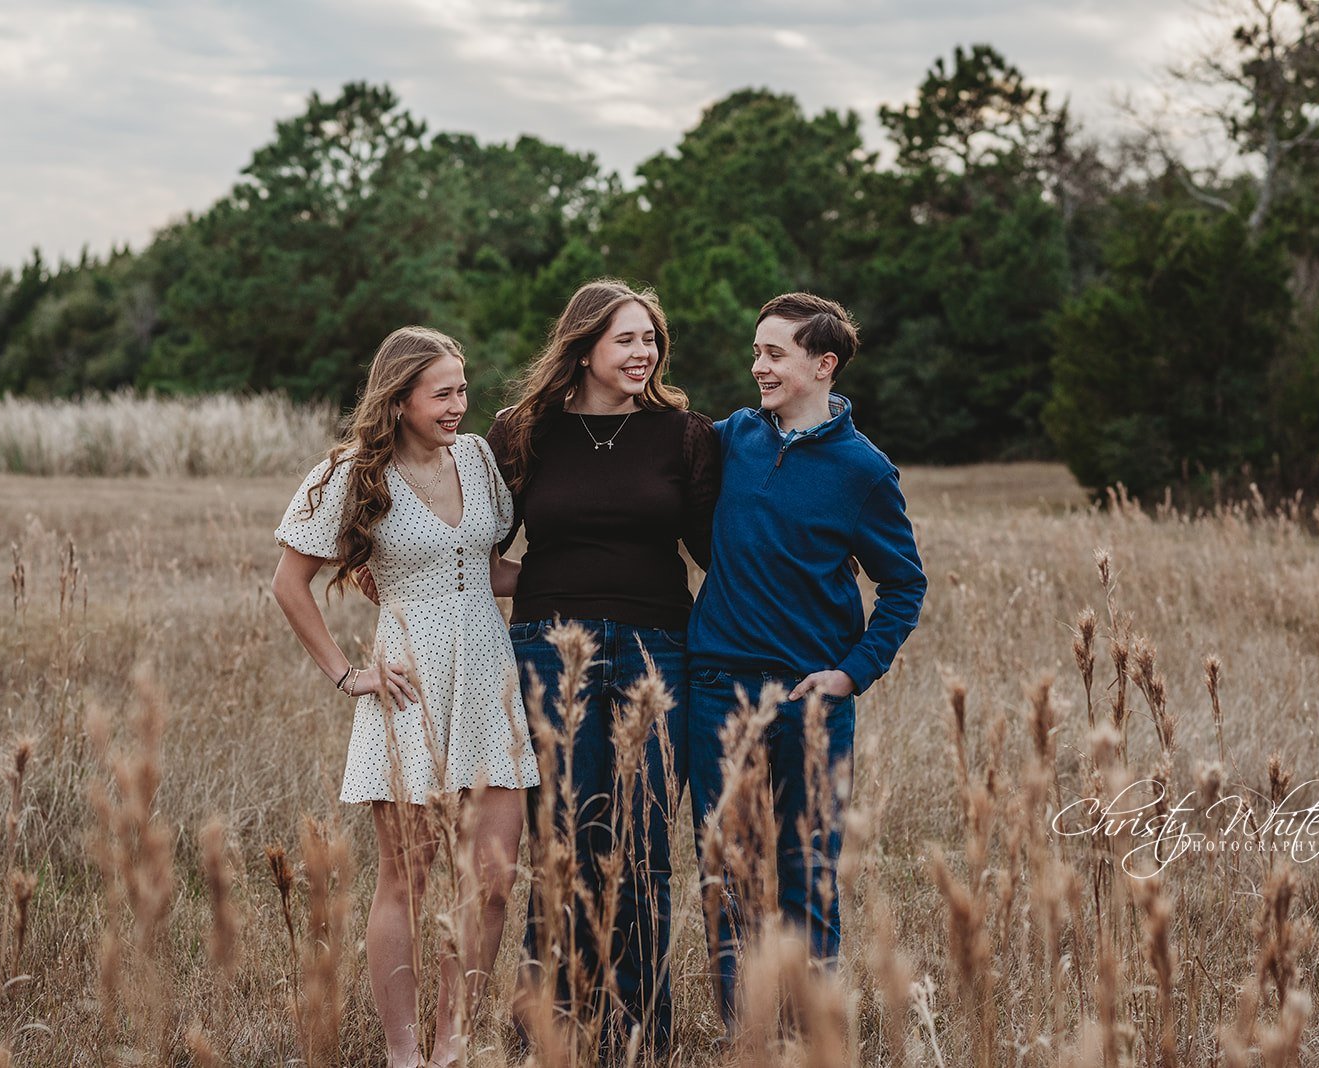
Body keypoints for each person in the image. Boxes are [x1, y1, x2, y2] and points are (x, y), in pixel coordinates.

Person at [271, 326, 540, 1068]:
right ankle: (405, 1053)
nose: (460, 405)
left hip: (488, 677)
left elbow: (486, 572)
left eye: (463, 389)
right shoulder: (353, 473)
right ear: (400, 398)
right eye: (442, 393)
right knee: (409, 879)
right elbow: (288, 585)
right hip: (408, 684)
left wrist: (593, 569)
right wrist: (345, 673)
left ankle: (454, 1041)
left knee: (491, 881)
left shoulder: (480, 458)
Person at [487, 279, 719, 1055]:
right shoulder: (520, 433)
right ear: (583, 347)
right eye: (627, 338)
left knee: (644, 845)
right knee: (563, 841)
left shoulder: (685, 436)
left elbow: (715, 553)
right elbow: (478, 547)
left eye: (651, 339)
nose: (644, 352)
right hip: (549, 651)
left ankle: (640, 1031)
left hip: (658, 652)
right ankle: (547, 1028)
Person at [686, 292, 926, 1030]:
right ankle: (745, 1030)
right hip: (715, 686)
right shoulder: (732, 438)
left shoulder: (863, 470)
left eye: (774, 353)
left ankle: (811, 1031)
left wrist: (853, 672)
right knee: (728, 871)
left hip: (809, 700)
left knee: (807, 871)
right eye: (756, 351)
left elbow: (903, 584)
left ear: (822, 365)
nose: (758, 366)